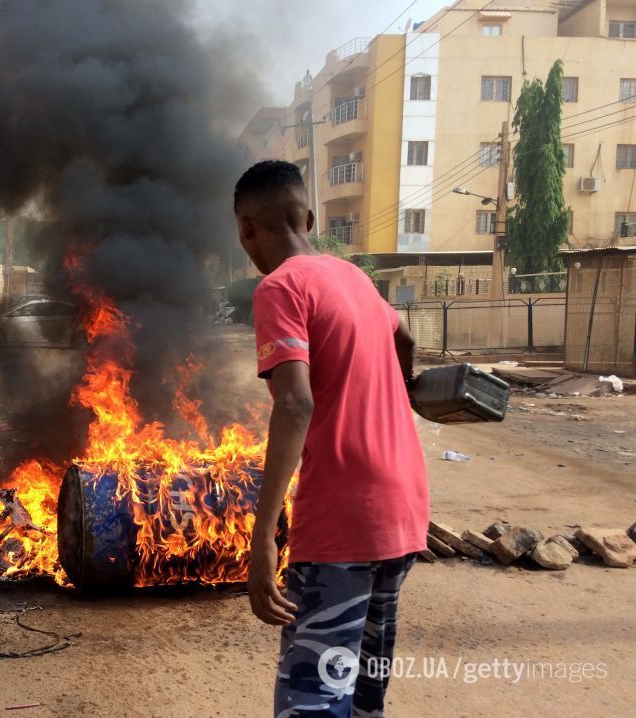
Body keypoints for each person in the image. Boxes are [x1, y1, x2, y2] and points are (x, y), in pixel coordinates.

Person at [233, 160, 429, 717]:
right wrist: (401, 392)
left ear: (247, 229)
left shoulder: (280, 288)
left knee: (315, 699)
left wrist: (264, 534)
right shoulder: (355, 279)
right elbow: (406, 338)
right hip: (403, 509)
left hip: (343, 521)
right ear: (311, 218)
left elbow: (295, 402)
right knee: (364, 693)